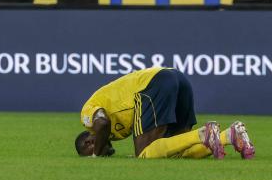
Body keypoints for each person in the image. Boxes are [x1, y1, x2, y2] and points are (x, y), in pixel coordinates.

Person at [74, 68, 256, 160]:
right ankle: (230, 135)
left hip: (151, 84)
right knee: (177, 151)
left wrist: (95, 156)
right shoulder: (116, 132)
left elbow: (102, 123)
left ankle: (206, 132)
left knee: (144, 154)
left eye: (91, 149)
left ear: (89, 141)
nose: (105, 153)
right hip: (177, 78)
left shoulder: (87, 116)